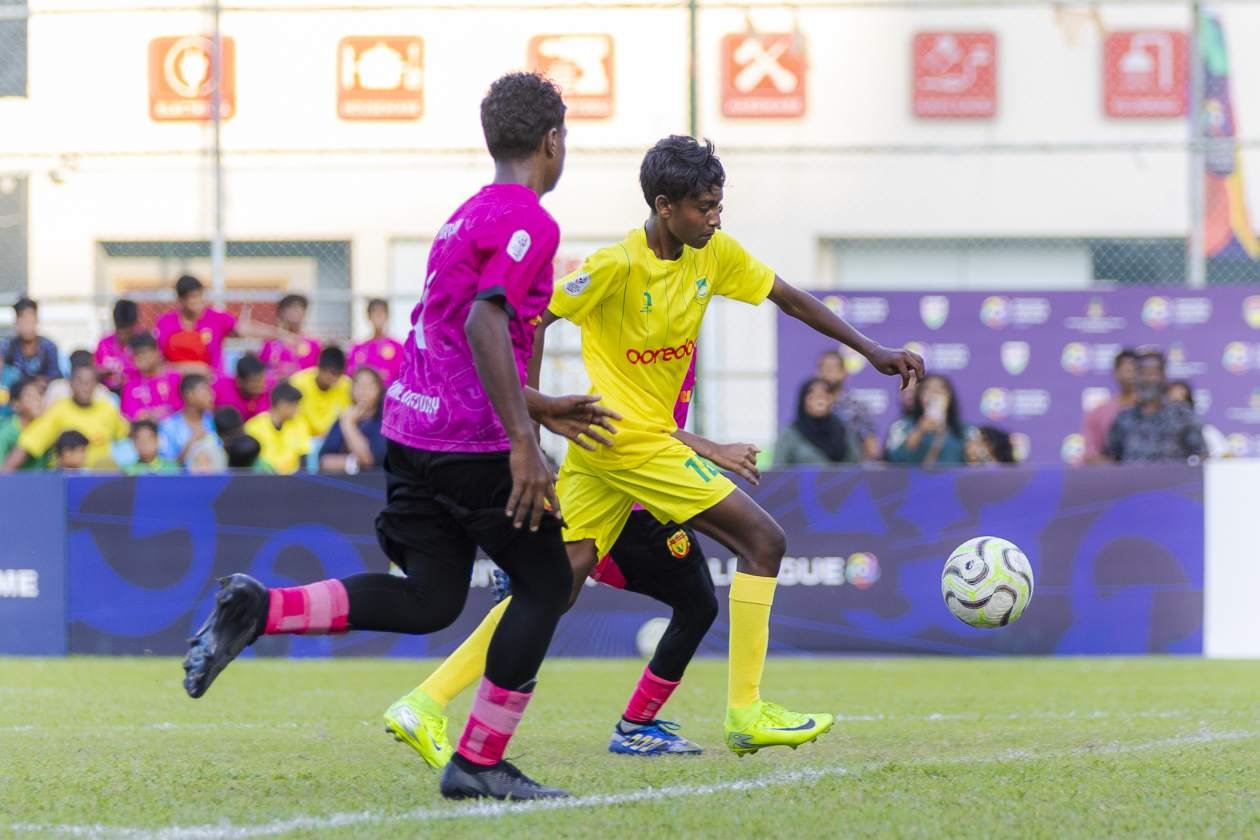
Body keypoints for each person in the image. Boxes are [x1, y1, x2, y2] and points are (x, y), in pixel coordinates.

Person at [183, 72, 616, 802]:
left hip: (411, 430)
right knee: (547, 582)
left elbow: (452, 340)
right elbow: (483, 322)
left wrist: (537, 406)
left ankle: (261, 608)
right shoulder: (532, 223)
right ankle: (479, 762)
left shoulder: (463, 217)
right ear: (553, 141)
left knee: (431, 599)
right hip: (469, 442)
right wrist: (522, 440)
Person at [520, 136, 921, 757]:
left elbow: (789, 298)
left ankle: (436, 702)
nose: (715, 218)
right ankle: (738, 712)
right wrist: (534, 412)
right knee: (756, 546)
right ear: (664, 206)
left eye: (718, 205)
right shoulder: (617, 269)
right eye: (705, 207)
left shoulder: (708, 264)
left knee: (577, 584)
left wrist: (871, 350)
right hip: (629, 456)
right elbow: (540, 322)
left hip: (639, 460)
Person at [384, 358, 722, 762]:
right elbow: (634, 417)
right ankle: (658, 722)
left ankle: (428, 703)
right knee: (717, 584)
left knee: (547, 593)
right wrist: (709, 448)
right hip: (634, 485)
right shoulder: (646, 325)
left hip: (621, 474)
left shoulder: (672, 331)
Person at [155, 274, 295, 375]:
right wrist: (191, 369)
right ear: (181, 300)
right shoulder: (166, 322)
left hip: (211, 382)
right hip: (175, 381)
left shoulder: (215, 318)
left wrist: (280, 334)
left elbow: (244, 328)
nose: (198, 302)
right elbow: (158, 359)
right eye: (192, 298)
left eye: (200, 296)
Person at [2, 363, 128, 472]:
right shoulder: (58, 410)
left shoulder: (108, 409)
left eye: (89, 382)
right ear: (70, 384)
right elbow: (28, 443)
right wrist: (4, 475)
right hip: (65, 480)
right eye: (79, 382)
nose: (85, 387)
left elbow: (126, 437)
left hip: (99, 480)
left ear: (96, 385)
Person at [1105, 350, 1206, 463]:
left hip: (1174, 474)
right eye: (1142, 373)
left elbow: (1201, 454)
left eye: (1153, 373)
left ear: (1163, 377)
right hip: (1133, 474)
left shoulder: (1182, 415)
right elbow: (1112, 458)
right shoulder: (1123, 418)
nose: (1147, 379)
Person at [885, 374, 967, 466]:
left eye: (941, 388)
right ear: (919, 396)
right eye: (928, 388)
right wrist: (919, 431)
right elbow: (892, 459)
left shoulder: (964, 430)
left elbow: (974, 464)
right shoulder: (902, 426)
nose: (934, 392)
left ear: (950, 396)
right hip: (911, 475)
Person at [318, 367, 386, 473]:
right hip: (342, 480)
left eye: (369, 386)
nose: (363, 391)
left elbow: (369, 459)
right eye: (359, 385)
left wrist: (349, 424)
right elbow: (324, 460)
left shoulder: (385, 422)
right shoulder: (343, 417)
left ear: (379, 390)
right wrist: (353, 462)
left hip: (376, 480)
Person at [816, 349, 879, 461]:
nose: (825, 373)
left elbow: (871, 448)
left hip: (849, 467)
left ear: (844, 373)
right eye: (821, 368)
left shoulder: (856, 407)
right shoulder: (810, 406)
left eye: (831, 368)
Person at [773, 378, 850, 466]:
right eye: (813, 396)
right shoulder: (790, 434)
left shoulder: (843, 429)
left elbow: (857, 466)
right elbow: (778, 469)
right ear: (803, 400)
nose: (820, 401)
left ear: (832, 400)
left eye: (824, 396)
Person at [1082, 348, 1138, 464]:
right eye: (1126, 370)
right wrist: (1119, 468)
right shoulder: (1098, 413)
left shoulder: (1155, 410)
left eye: (1135, 370)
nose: (1130, 375)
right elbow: (1090, 456)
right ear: (1115, 373)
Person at [242, 383, 310, 475]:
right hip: (263, 477)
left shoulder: (299, 424)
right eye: (296, 405)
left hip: (293, 478)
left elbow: (303, 456)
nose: (299, 409)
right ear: (283, 405)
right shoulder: (253, 426)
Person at [289, 346, 351, 438]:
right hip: (301, 438)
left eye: (338, 374)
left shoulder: (347, 385)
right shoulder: (298, 383)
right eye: (331, 373)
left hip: (332, 440)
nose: (333, 378)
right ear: (319, 367)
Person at [119, 334, 183, 422]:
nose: (140, 358)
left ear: (157, 352)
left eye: (144, 352)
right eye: (136, 354)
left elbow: (185, 410)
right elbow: (129, 416)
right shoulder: (130, 386)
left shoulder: (176, 379)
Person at [159, 374, 218, 465]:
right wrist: (191, 443)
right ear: (189, 395)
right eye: (206, 390)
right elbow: (168, 466)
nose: (212, 395)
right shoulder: (168, 426)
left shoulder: (215, 421)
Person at [259, 293, 321, 380]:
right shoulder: (271, 343)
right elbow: (262, 370)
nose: (295, 312)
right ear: (281, 313)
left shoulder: (313, 344)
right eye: (291, 308)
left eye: (299, 308)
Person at [348, 298, 405, 385]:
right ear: (368, 316)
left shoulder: (398, 347)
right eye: (374, 312)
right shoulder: (359, 348)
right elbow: (351, 374)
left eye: (381, 312)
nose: (378, 316)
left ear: (387, 316)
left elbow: (403, 376)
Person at [3, 298, 61, 383]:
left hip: (43, 389)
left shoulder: (49, 346)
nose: (27, 325)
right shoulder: (7, 346)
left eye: (30, 320)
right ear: (16, 322)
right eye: (23, 320)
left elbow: (55, 376)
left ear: (36, 320)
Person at [0, 378, 49, 470]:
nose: (37, 400)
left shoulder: (46, 428)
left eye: (39, 394)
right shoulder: (6, 434)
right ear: (15, 405)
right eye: (30, 396)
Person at [95, 299, 142, 393]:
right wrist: (103, 372)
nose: (122, 335)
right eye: (119, 330)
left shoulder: (142, 344)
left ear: (134, 325)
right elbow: (95, 369)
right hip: (108, 393)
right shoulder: (104, 344)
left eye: (126, 331)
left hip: (136, 392)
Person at [213, 353, 270, 420]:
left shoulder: (270, 393)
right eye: (254, 382)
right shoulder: (220, 388)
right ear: (239, 381)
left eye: (261, 380)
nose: (260, 385)